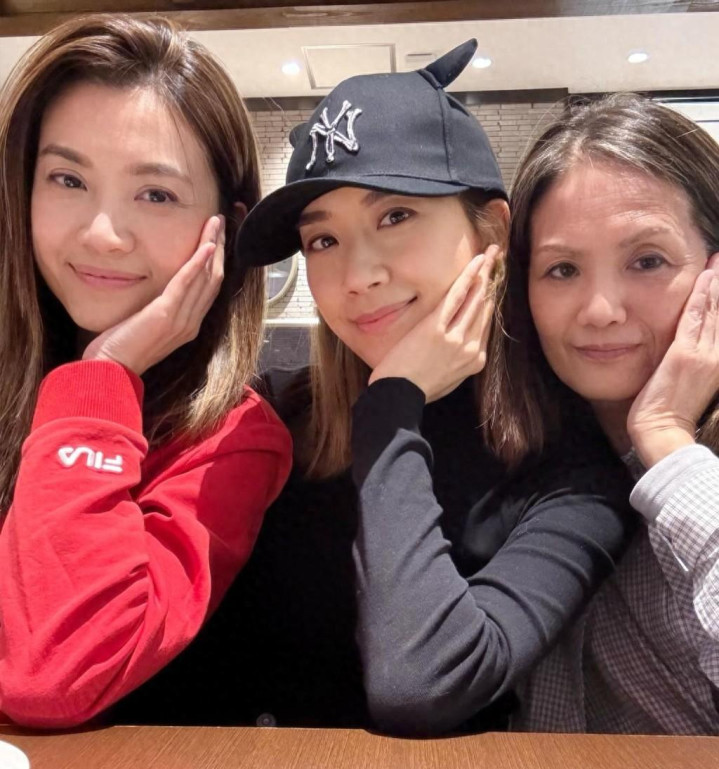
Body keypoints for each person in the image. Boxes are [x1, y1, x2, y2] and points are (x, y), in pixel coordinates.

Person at [113, 40, 633, 735]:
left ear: (492, 231)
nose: (357, 276)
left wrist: (392, 403)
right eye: (322, 240)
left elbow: (420, 683)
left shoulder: (570, 473)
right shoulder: (270, 414)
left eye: (395, 216)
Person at [0, 14, 292, 728]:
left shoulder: (234, 439)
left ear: (225, 230)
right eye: (67, 178)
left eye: (156, 194)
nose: (102, 233)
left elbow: (53, 674)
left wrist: (104, 374)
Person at [497, 93, 719, 735]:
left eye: (647, 261)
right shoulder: (522, 460)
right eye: (562, 269)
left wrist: (667, 441)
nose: (600, 310)